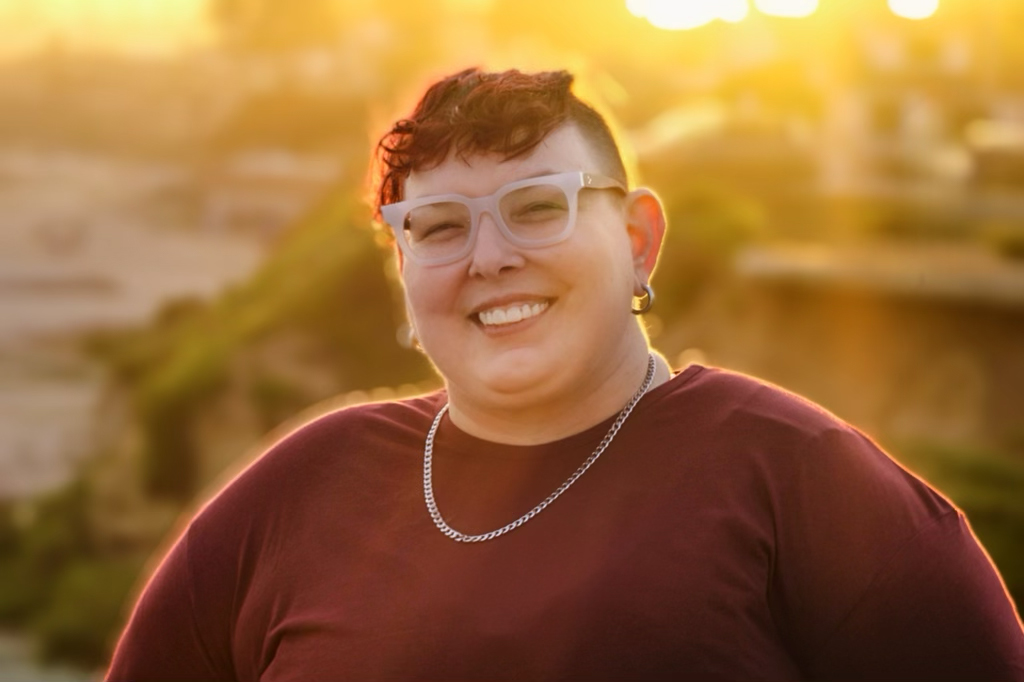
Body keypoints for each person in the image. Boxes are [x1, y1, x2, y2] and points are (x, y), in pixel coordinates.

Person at [106, 68, 1024, 681]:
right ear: (404, 270)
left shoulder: (805, 479)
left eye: (538, 208)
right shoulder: (301, 488)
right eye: (439, 227)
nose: (489, 257)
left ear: (638, 240)